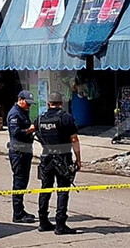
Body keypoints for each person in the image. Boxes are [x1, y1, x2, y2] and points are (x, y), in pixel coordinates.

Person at [33, 92, 81, 235]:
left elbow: (30, 130)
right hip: (63, 159)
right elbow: (74, 140)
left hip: (46, 158)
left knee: (45, 189)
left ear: (49, 103)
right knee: (63, 191)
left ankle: (43, 221)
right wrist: (78, 159)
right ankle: (60, 224)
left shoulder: (40, 119)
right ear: (61, 103)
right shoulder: (66, 118)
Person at [7, 90, 37, 224]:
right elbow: (15, 133)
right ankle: (17, 214)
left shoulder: (23, 112)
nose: (29, 106)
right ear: (20, 99)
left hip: (25, 151)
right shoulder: (14, 113)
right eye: (27, 103)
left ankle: (21, 210)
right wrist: (29, 130)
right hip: (18, 152)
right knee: (19, 182)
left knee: (23, 182)